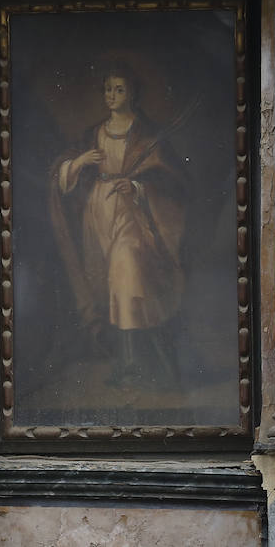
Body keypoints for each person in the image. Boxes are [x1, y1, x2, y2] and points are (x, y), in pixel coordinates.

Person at [50, 64, 187, 388]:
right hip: (97, 215)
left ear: (133, 94)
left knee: (127, 275)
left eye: (119, 89)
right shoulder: (92, 133)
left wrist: (138, 188)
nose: (112, 96)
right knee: (110, 287)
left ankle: (131, 362)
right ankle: (128, 360)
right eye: (108, 89)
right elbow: (61, 176)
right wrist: (79, 162)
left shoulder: (148, 135)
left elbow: (172, 181)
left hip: (133, 214)